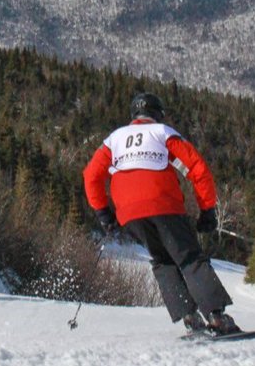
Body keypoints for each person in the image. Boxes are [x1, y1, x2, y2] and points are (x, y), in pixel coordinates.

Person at [82, 92, 240, 335]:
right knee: (189, 257)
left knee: (163, 260)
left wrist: (104, 214)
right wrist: (207, 209)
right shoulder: (162, 133)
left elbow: (91, 175)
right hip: (163, 204)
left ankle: (190, 318)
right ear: (158, 114)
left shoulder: (114, 139)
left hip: (129, 212)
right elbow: (198, 168)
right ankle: (217, 317)